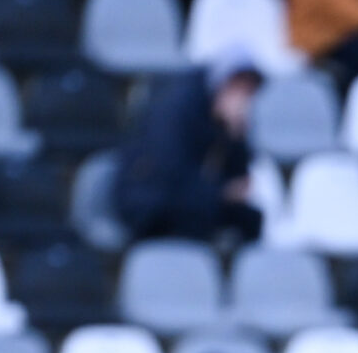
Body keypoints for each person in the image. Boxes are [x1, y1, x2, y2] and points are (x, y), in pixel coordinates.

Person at [112, 57, 263, 245]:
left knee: (251, 219)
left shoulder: (224, 123)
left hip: (191, 198)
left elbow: (238, 177)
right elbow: (170, 172)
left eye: (249, 90)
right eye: (238, 86)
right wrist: (220, 193)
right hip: (149, 199)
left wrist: (234, 136)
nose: (243, 97)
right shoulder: (174, 110)